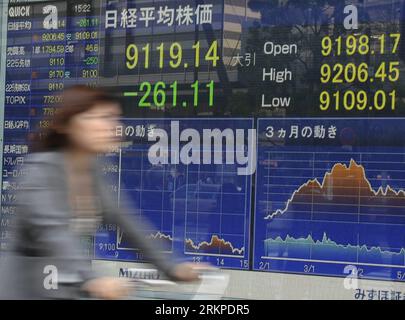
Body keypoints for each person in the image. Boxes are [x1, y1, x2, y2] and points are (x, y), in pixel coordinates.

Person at [0, 85, 200, 299]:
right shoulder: (40, 171)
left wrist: (172, 267)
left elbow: (127, 223)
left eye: (113, 118)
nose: (111, 126)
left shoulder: (93, 171)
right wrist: (92, 280)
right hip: (25, 291)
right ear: (69, 124)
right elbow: (55, 233)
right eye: (99, 117)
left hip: (64, 289)